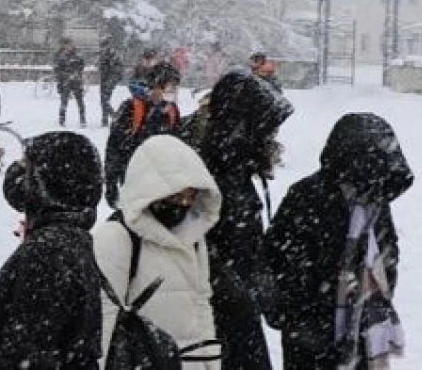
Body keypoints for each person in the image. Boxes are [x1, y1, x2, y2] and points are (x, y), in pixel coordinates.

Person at [265, 113, 413, 370]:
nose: (376, 169)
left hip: (363, 329)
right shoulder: (307, 195)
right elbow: (276, 255)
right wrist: (292, 312)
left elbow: (388, 254)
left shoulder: (375, 200)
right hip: (310, 329)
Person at [0, 132, 105, 369]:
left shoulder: (48, 251)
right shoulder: (71, 237)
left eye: (26, 166)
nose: (17, 174)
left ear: (48, 182)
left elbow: (26, 356)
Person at [93, 135, 224, 369]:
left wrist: (210, 363)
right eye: (175, 196)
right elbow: (102, 320)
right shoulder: (117, 238)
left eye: (190, 196)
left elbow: (201, 302)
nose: (183, 204)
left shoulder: (193, 235)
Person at [201, 70, 293, 370]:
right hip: (219, 333)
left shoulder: (234, 173)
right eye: (267, 133)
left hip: (234, 324)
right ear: (244, 130)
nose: (273, 142)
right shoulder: (216, 182)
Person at [104, 62, 182, 207]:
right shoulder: (131, 108)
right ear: (157, 85)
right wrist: (111, 183)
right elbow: (114, 147)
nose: (173, 92)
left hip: (162, 179)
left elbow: (178, 144)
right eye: (170, 87)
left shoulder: (172, 110)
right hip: (133, 176)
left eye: (175, 88)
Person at [53, 38, 87, 127]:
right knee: (64, 102)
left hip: (76, 82)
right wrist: (66, 75)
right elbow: (57, 70)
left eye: (71, 45)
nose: (69, 47)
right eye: (67, 45)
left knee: (80, 101)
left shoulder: (77, 55)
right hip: (66, 82)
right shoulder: (60, 56)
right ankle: (61, 120)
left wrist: (77, 73)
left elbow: (82, 66)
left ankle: (83, 120)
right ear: (64, 46)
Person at [97, 34, 124, 128]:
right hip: (104, 79)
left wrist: (112, 79)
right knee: (103, 100)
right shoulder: (103, 53)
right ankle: (105, 119)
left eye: (103, 45)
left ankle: (114, 116)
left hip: (110, 80)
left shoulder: (112, 53)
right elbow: (102, 67)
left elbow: (116, 68)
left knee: (104, 100)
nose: (102, 47)